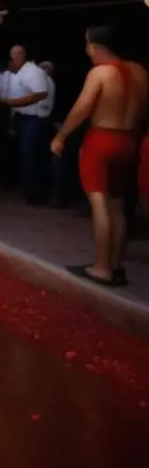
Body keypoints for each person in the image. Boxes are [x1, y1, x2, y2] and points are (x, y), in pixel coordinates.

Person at [51, 26, 147, 287]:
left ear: (95, 46)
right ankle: (116, 265)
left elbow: (82, 108)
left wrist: (61, 136)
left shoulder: (100, 73)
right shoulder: (140, 72)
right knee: (118, 206)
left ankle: (101, 267)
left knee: (100, 205)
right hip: (129, 140)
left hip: (102, 139)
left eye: (87, 46)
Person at [1, 44, 53, 204]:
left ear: (25, 54)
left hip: (34, 119)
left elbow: (41, 94)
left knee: (31, 156)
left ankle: (35, 194)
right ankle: (28, 190)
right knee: (24, 156)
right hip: (22, 118)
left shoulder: (33, 72)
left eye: (18, 53)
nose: (14, 57)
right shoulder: (17, 74)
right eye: (12, 55)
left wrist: (12, 103)